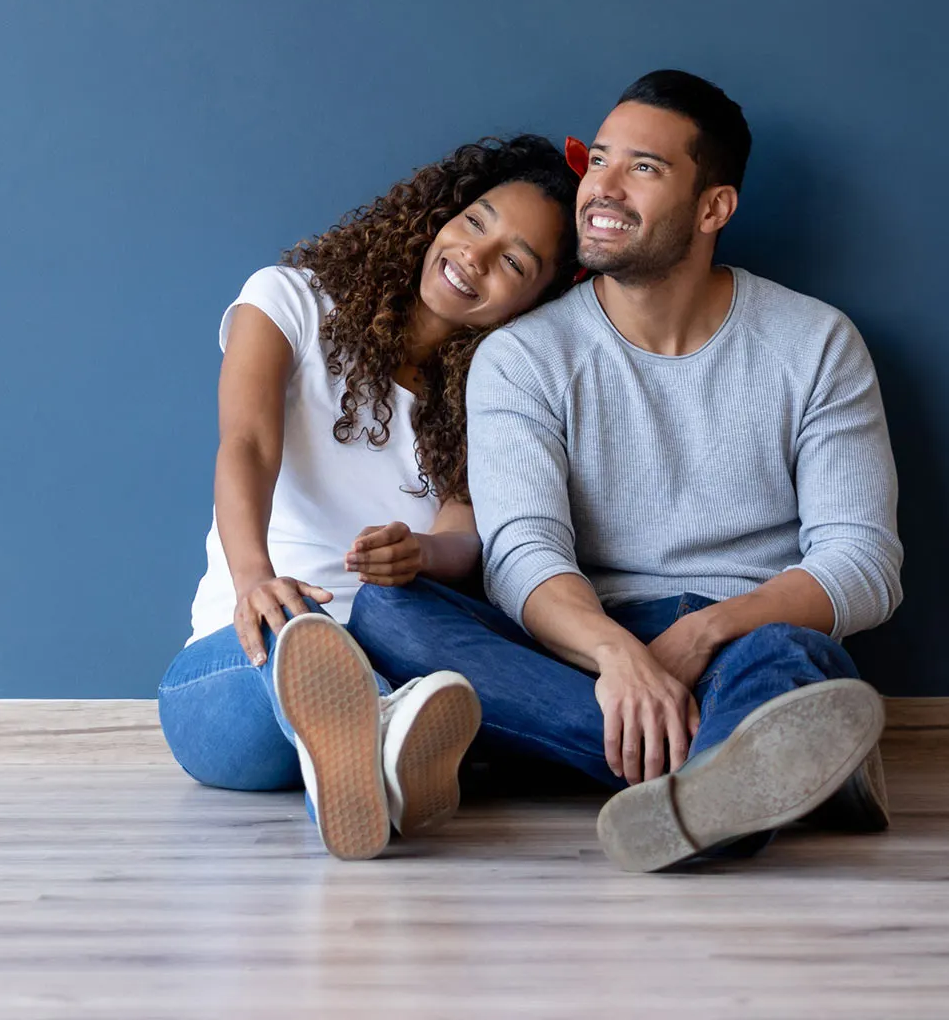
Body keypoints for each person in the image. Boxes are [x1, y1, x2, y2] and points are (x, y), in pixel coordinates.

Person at [349, 71, 903, 872]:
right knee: (387, 614)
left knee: (786, 658)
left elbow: (863, 563)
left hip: (742, 632)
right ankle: (735, 773)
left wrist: (702, 632)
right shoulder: (523, 357)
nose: (601, 187)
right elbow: (523, 554)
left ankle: (710, 764)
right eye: (599, 159)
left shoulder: (816, 344)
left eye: (643, 167)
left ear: (713, 208)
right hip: (579, 645)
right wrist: (620, 659)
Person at [158, 135, 581, 860]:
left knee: (391, 664)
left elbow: (465, 534)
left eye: (515, 261)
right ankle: (373, 739)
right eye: (477, 221)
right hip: (242, 661)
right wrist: (254, 577)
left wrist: (421, 552)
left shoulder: (499, 391)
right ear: (444, 213)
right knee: (297, 645)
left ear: (538, 300)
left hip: (395, 656)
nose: (476, 256)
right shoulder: (288, 298)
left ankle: (372, 747)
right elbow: (247, 444)